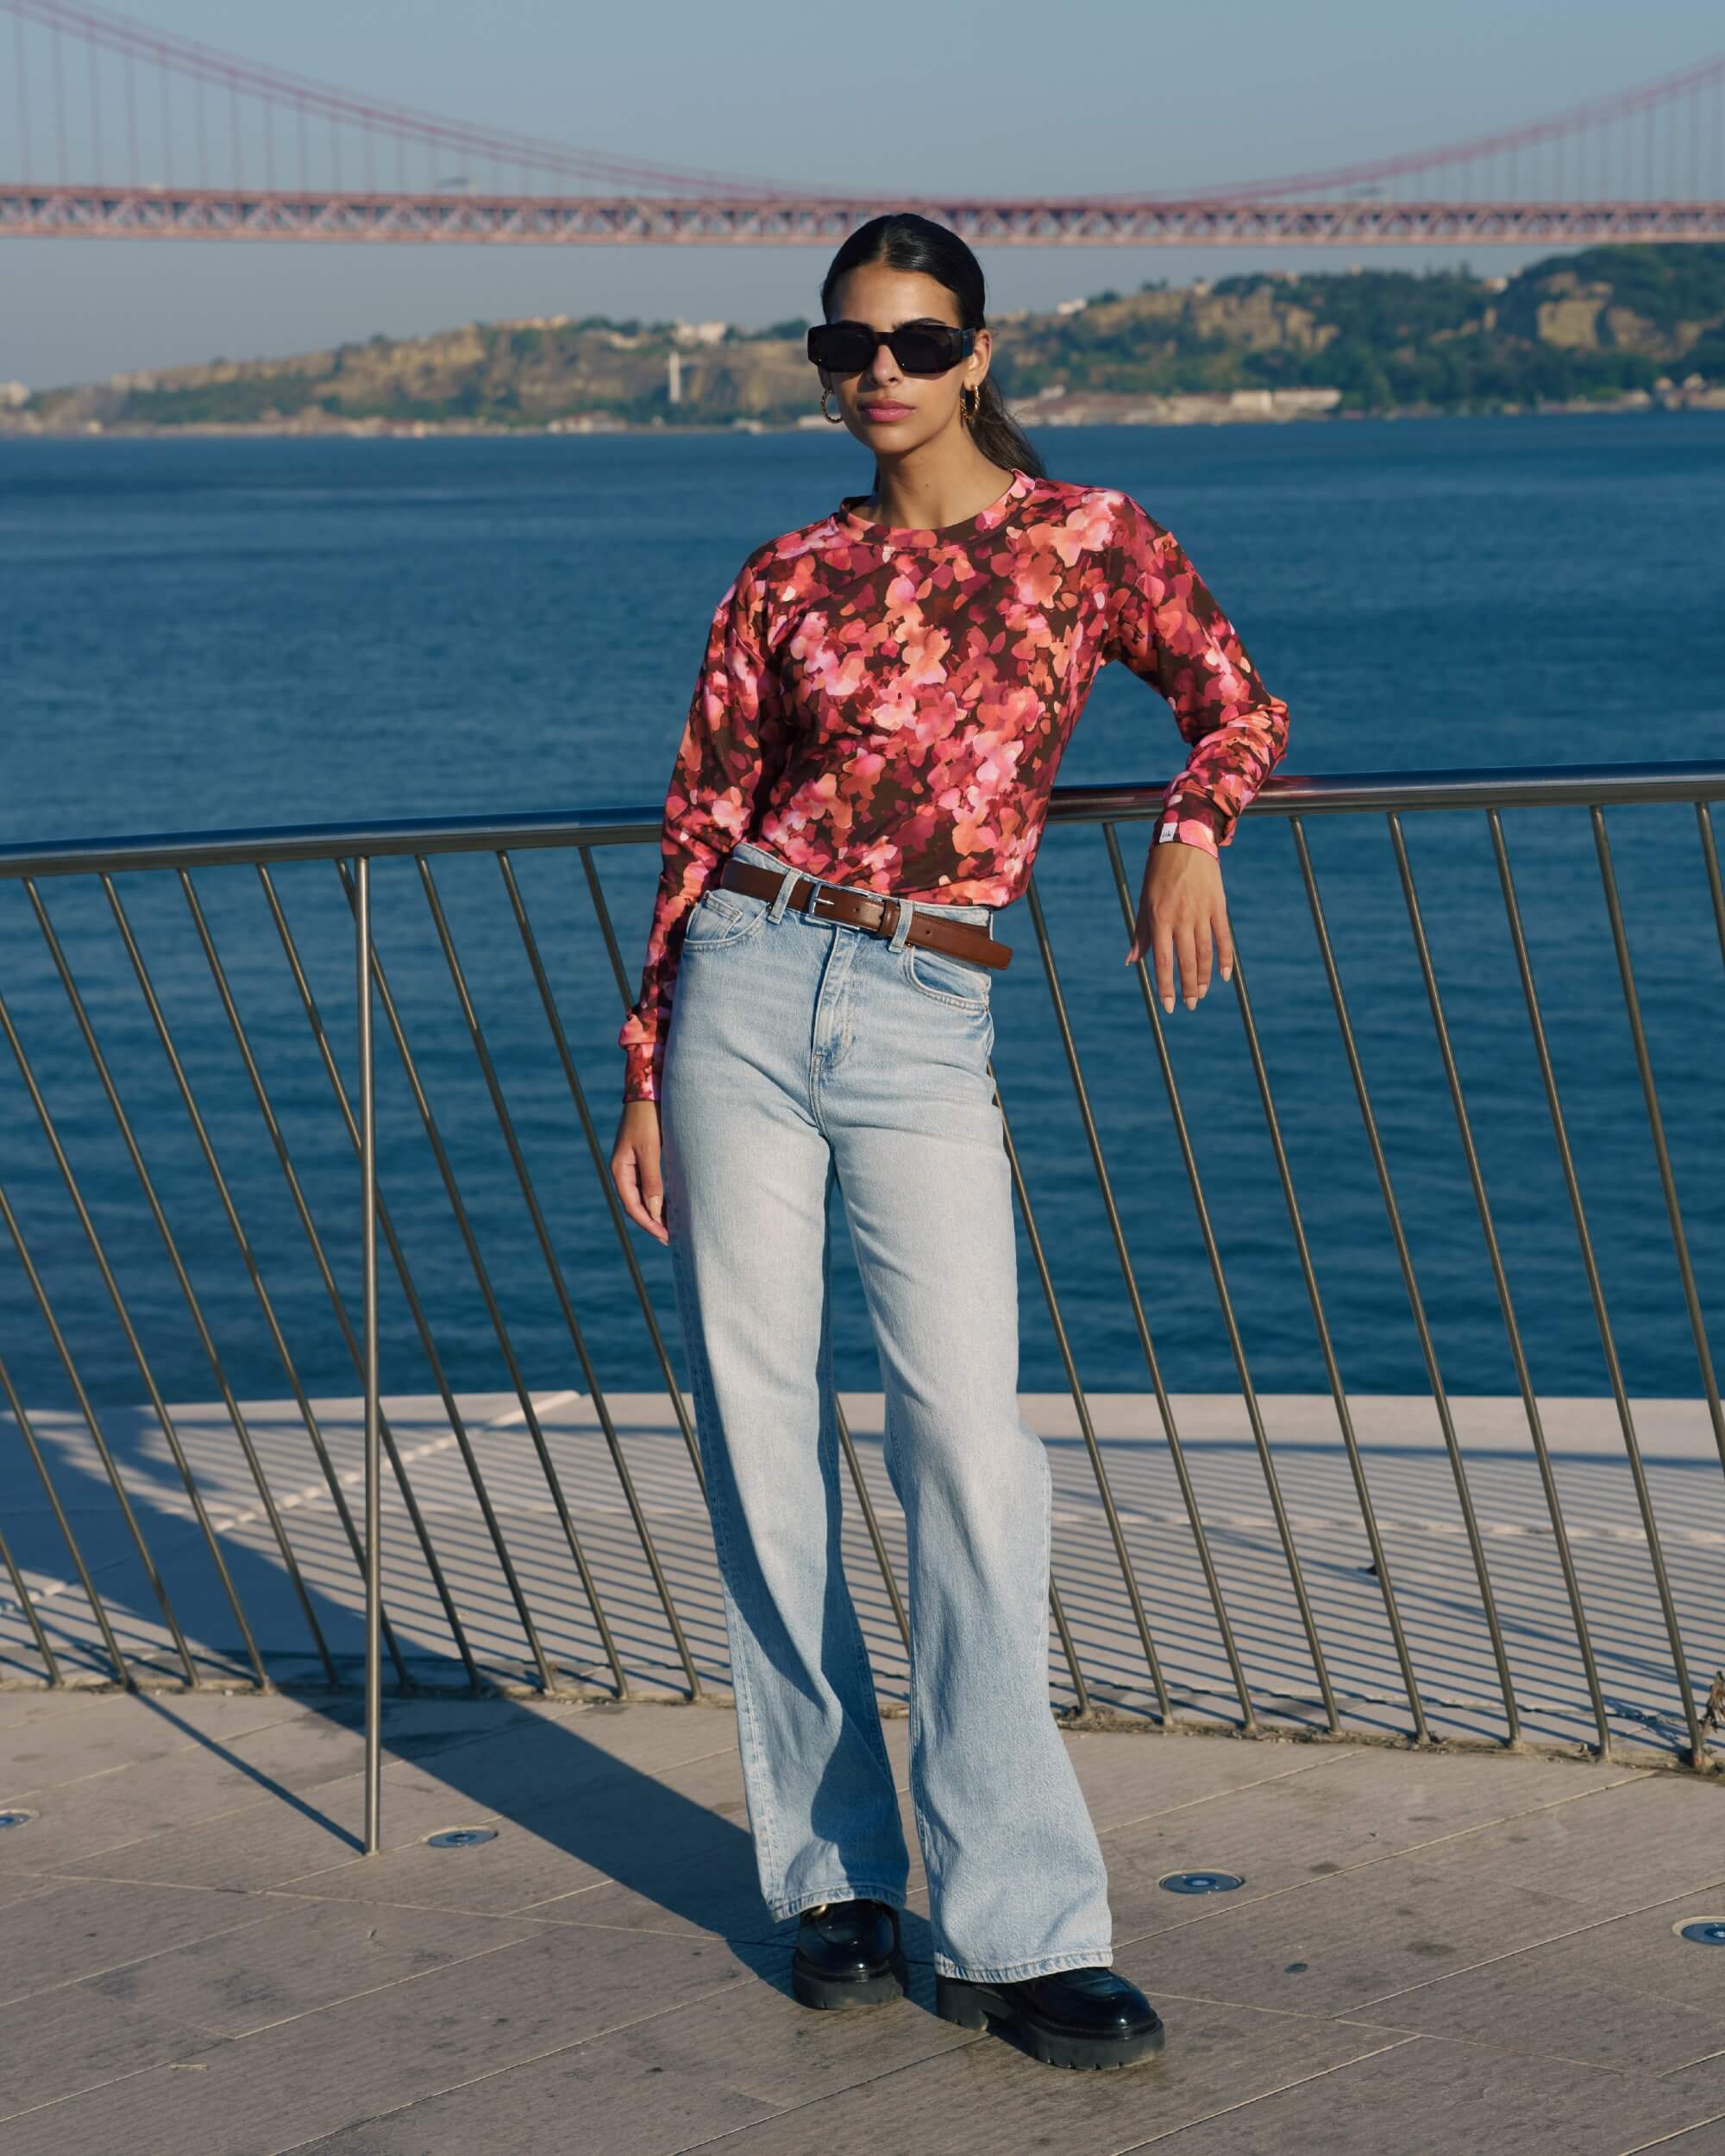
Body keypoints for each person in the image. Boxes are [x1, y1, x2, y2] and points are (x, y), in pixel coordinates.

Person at [611, 210, 1289, 2071]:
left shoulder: (1091, 541)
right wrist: (639, 1062)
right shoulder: (785, 574)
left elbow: (1233, 697)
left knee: (968, 1451)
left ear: (980, 351)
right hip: (743, 988)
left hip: (926, 1012)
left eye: (914, 341)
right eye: (845, 349)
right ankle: (829, 1872)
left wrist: (1186, 826)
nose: (879, 375)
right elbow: (697, 816)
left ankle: (1020, 1922)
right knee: (761, 1427)